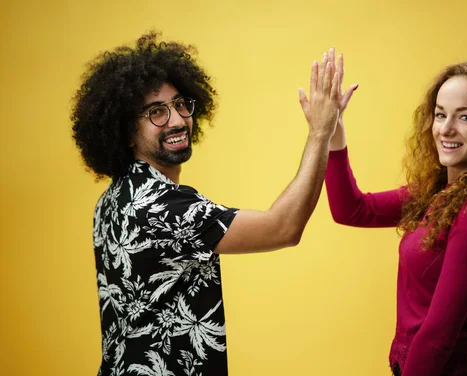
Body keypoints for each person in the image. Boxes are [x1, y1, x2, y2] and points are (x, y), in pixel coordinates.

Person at [71, 32, 356, 375]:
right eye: (156, 112)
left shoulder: (112, 199)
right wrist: (321, 132)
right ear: (126, 132)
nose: (176, 120)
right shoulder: (162, 206)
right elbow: (283, 227)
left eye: (180, 105)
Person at [323, 51, 467, 376]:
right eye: (441, 115)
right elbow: (353, 210)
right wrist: (332, 129)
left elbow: (438, 336)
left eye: (465, 117)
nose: (446, 129)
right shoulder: (437, 193)